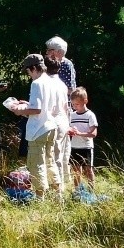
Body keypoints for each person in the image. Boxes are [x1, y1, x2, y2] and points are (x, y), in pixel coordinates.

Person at [9, 54, 62, 198]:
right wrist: (27, 104)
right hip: (51, 126)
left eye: (28, 71)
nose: (28, 74)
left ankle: (40, 198)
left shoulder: (37, 83)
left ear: (34, 68)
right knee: (50, 162)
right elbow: (48, 107)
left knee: (36, 164)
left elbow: (37, 109)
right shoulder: (51, 81)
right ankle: (58, 194)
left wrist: (19, 110)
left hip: (38, 129)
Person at [45, 36, 75, 185]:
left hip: (62, 109)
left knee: (62, 145)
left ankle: (61, 179)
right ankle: (55, 178)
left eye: (49, 50)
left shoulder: (67, 65)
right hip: (50, 108)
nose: (46, 53)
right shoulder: (45, 65)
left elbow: (72, 89)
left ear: (58, 52)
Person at [43, 56, 70, 191]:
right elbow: (65, 106)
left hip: (54, 121)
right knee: (59, 156)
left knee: (53, 157)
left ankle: (57, 190)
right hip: (63, 120)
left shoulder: (47, 83)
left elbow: (47, 106)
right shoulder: (62, 84)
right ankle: (58, 186)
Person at [68, 87, 98, 190]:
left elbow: (93, 134)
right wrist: (70, 131)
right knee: (76, 170)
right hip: (74, 146)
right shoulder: (72, 115)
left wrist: (80, 133)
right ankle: (77, 191)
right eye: (73, 104)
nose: (75, 107)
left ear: (85, 101)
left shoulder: (90, 115)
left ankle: (91, 190)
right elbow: (69, 128)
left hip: (86, 147)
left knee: (88, 170)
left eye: (77, 104)